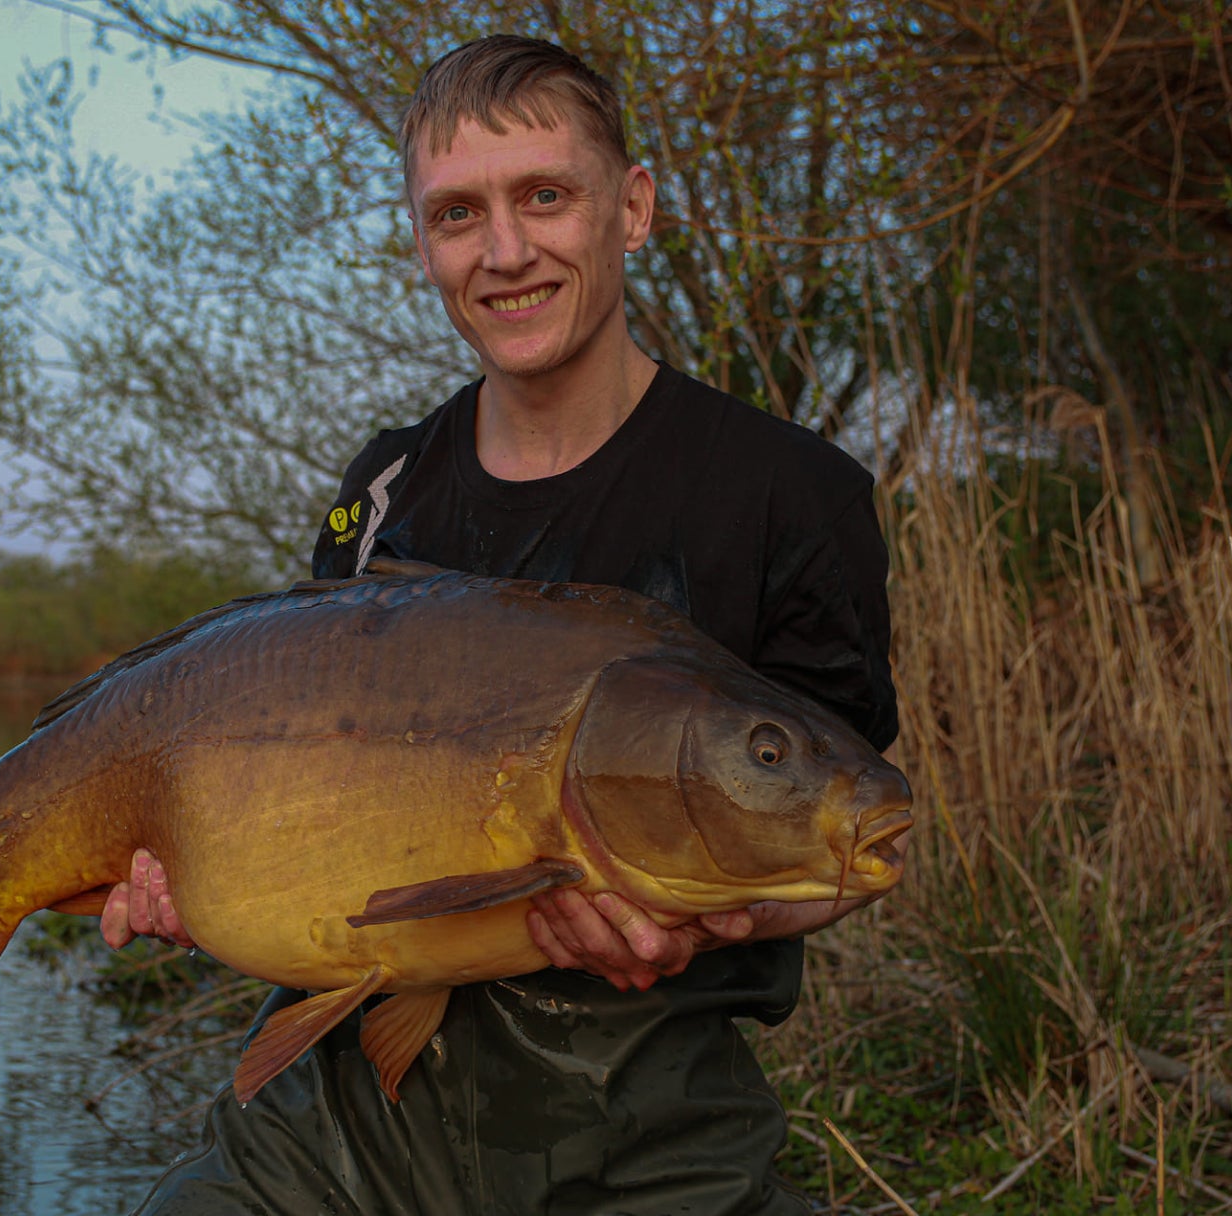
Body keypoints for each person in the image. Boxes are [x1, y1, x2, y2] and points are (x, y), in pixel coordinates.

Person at [100, 35, 901, 1216]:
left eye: (544, 196)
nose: (506, 250)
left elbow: (842, 835)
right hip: (340, 1131)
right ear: (422, 245)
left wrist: (703, 920)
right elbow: (301, 809)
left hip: (644, 1132)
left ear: (630, 208)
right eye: (458, 213)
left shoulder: (792, 495)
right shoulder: (381, 493)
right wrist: (202, 890)